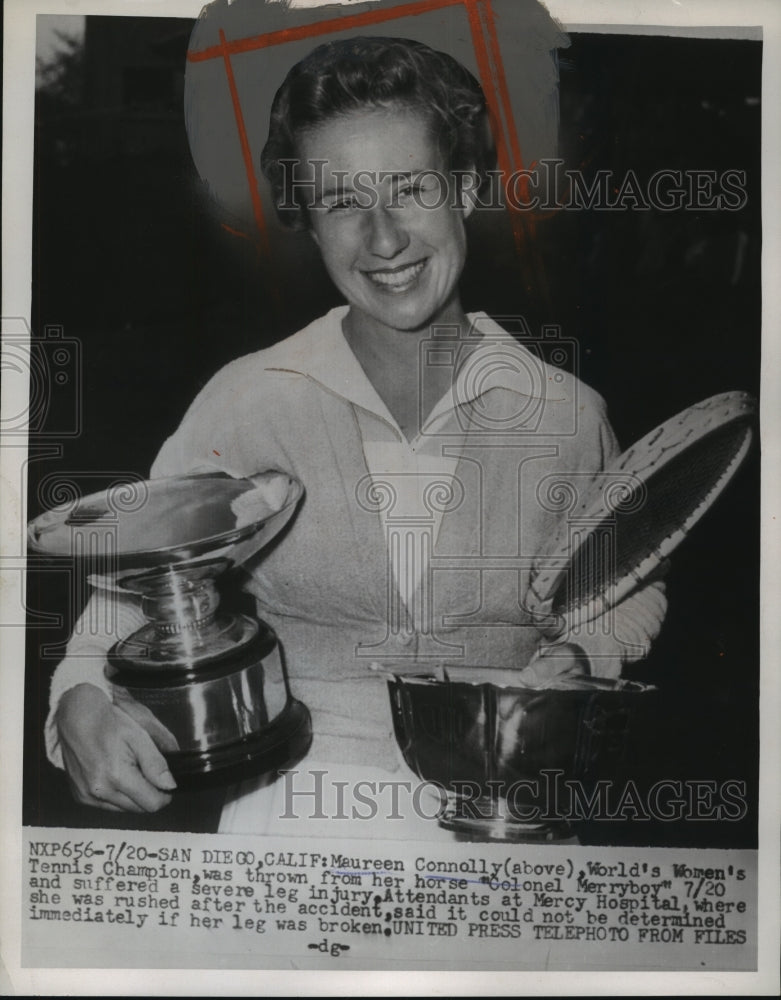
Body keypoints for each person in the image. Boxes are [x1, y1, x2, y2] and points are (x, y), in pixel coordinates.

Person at [46, 37, 666, 835]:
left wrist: (584, 658)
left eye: (408, 188)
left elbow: (625, 586)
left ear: (467, 189)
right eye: (341, 201)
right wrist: (79, 697)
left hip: (505, 815)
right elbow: (132, 587)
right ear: (306, 222)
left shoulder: (566, 413)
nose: (382, 239)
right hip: (295, 811)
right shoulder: (250, 399)